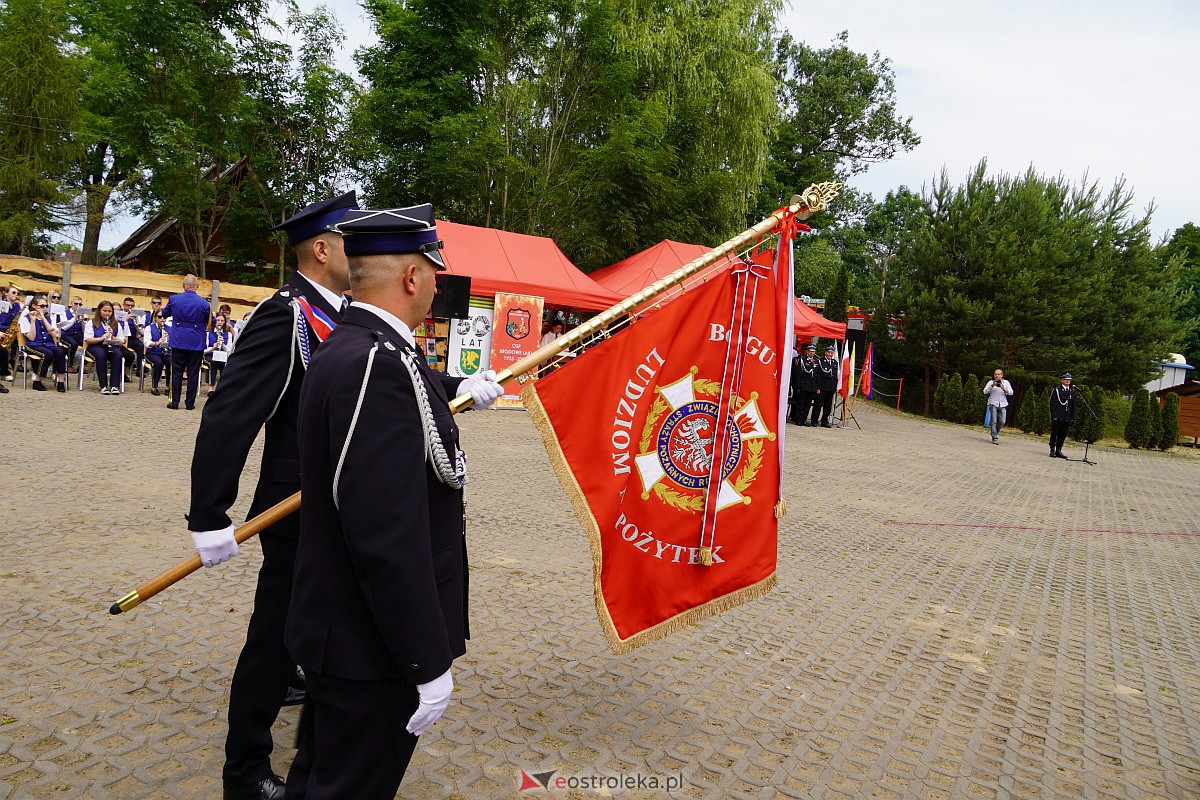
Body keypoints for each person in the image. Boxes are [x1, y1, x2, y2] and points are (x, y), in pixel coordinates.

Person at [284, 205, 503, 800]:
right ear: (414, 277)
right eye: (435, 270)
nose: (437, 283)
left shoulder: (364, 346)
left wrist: (462, 388)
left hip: (348, 632)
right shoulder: (374, 364)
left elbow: (413, 397)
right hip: (369, 647)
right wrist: (423, 661)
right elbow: (384, 534)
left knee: (318, 779)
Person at [183, 192, 358, 800]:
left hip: (335, 507)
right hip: (293, 510)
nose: (358, 253)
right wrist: (210, 515)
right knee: (275, 635)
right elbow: (231, 415)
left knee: (305, 627)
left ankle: (293, 680)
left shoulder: (346, 313)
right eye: (349, 241)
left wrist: (461, 383)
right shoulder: (284, 315)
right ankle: (246, 769)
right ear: (320, 248)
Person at [162, 274, 211, 410]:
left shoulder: (174, 299)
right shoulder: (204, 303)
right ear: (197, 286)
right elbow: (210, 321)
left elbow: (165, 313)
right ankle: (190, 403)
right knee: (193, 373)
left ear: (183, 286)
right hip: (196, 341)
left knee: (176, 371)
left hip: (178, 340)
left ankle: (174, 401)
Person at [19, 294, 68, 392]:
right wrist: (33, 321)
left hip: (48, 344)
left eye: (46, 306)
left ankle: (61, 382)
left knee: (60, 352)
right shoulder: (25, 319)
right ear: (34, 306)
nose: (45, 308)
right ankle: (37, 381)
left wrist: (44, 318)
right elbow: (31, 338)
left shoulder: (50, 318)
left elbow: (54, 335)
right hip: (33, 345)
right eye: (42, 306)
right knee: (48, 354)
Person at [83, 300, 128, 394]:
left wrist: (113, 337)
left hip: (110, 346)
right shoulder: (91, 323)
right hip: (95, 346)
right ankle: (103, 386)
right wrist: (102, 338)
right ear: (99, 311)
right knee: (101, 355)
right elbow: (88, 340)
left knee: (118, 355)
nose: (107, 313)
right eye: (104, 311)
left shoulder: (116, 324)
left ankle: (114, 385)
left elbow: (121, 342)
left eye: (109, 311)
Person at [204, 313, 236, 394]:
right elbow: (204, 350)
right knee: (213, 362)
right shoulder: (208, 333)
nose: (220, 322)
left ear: (224, 322)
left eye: (222, 321)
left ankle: (221, 386)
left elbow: (229, 350)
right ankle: (211, 387)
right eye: (218, 320)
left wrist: (223, 345)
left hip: (222, 355)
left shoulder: (228, 334)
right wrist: (213, 348)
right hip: (210, 355)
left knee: (225, 363)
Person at [0, 285, 25, 386]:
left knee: (20, 343)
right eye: (14, 293)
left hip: (10, 332)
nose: (16, 295)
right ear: (6, 293)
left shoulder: (18, 306)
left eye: (18, 294)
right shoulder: (1, 304)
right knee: (3, 351)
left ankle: (14, 360)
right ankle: (4, 372)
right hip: (1, 331)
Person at [1048, 372, 1076, 459]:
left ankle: (1059, 450)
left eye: (1069, 380)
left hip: (1067, 416)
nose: (1068, 381)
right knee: (1055, 433)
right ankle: (1052, 449)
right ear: (1062, 380)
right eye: (1066, 379)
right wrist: (1054, 416)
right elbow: (1053, 404)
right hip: (1058, 415)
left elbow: (1073, 406)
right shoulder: (1057, 390)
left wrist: (1072, 417)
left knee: (1063, 434)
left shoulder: (1072, 391)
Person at [983, 368, 1014, 444]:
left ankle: (995, 432)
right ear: (994, 375)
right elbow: (985, 391)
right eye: (995, 374)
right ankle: (994, 437)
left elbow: (1011, 392)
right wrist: (992, 386)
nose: (997, 376)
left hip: (1003, 404)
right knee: (993, 421)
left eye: (998, 374)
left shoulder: (1006, 382)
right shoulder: (990, 382)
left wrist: (1004, 389)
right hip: (993, 403)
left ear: (1002, 375)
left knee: (1002, 421)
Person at [790, 344, 819, 425]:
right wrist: (798, 387)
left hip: (812, 386)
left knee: (808, 404)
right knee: (801, 403)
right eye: (810, 351)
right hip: (804, 385)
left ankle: (804, 419)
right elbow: (798, 374)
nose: (812, 353)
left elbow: (817, 375)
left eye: (813, 351)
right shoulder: (802, 360)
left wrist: (817, 387)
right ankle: (798, 419)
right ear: (807, 351)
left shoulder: (816, 361)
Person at [811, 344, 838, 427]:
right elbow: (818, 376)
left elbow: (835, 375)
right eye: (829, 353)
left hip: (831, 387)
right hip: (822, 387)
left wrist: (836, 387)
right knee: (818, 404)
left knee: (828, 406)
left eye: (831, 353)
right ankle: (814, 420)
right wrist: (817, 387)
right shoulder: (820, 361)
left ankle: (824, 421)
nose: (830, 354)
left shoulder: (834, 362)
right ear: (825, 353)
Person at [144, 311, 171, 395]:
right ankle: (154, 386)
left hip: (166, 352)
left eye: (164, 317)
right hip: (153, 352)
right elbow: (147, 342)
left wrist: (169, 340)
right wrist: (157, 343)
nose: (162, 319)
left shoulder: (169, 328)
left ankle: (168, 386)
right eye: (160, 317)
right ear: (155, 317)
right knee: (158, 363)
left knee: (171, 362)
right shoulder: (149, 328)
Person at [120, 297, 146, 381]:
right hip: (120, 337)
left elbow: (142, 332)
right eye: (128, 305)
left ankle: (139, 369)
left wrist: (137, 321)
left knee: (140, 346)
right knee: (126, 354)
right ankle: (122, 372)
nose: (130, 307)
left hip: (131, 338)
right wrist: (125, 319)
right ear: (123, 305)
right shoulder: (119, 314)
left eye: (132, 306)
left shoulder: (137, 316)